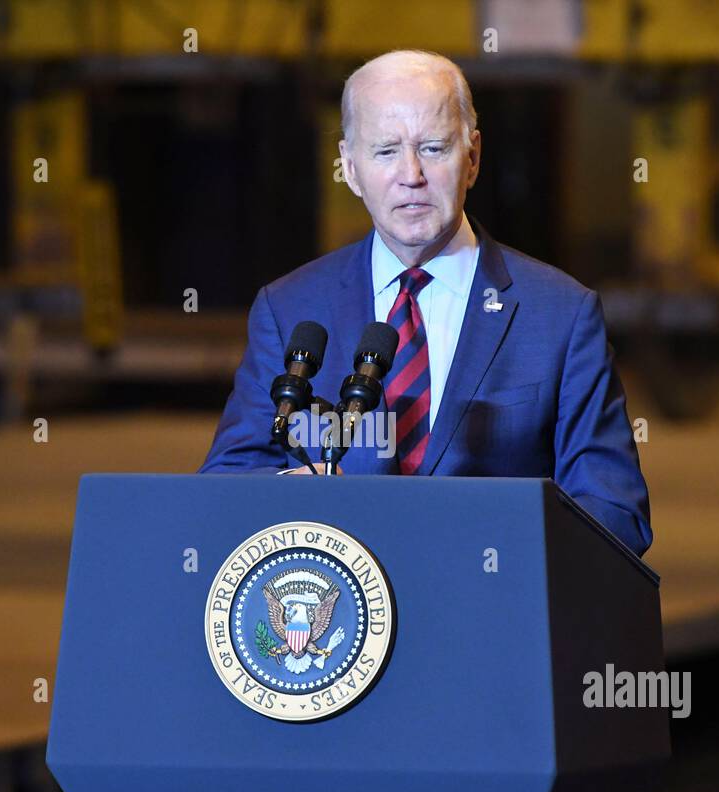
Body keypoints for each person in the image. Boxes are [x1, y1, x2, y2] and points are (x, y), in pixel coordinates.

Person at [199, 49, 652, 557]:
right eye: (386, 151)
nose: (410, 174)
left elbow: (616, 514)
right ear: (349, 167)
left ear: (473, 157)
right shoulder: (288, 310)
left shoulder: (562, 316)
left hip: (491, 615)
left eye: (434, 148)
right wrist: (293, 493)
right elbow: (225, 485)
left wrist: (477, 544)